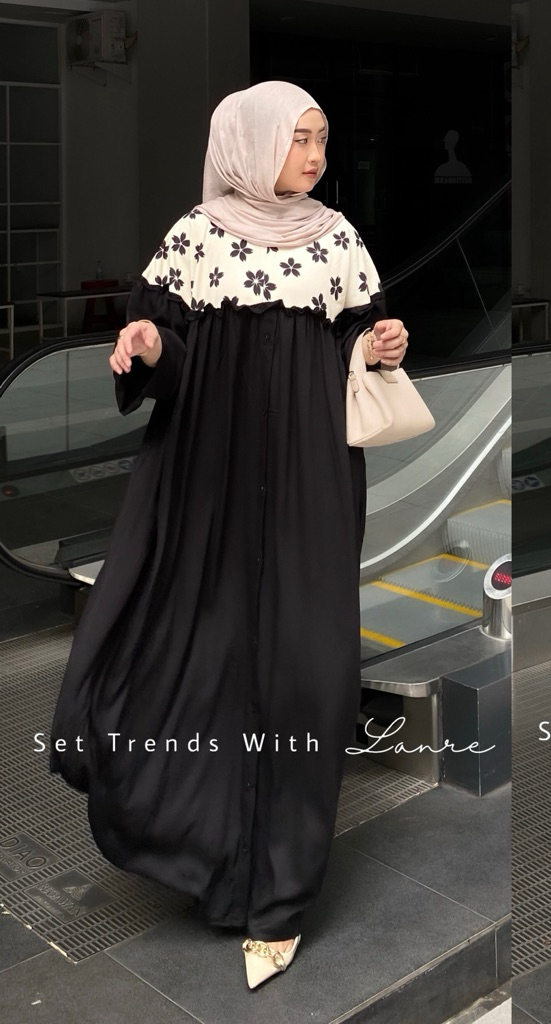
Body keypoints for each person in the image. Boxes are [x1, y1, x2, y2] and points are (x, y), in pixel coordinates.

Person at [49, 81, 409, 990]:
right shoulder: (196, 238)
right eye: (298, 139)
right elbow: (166, 349)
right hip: (205, 478)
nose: (315, 156)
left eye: (321, 138)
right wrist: (145, 345)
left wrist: (380, 346)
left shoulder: (336, 239)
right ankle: (208, 852)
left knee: (306, 668)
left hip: (310, 476)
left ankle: (280, 894)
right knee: (197, 651)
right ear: (249, 143)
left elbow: (357, 342)